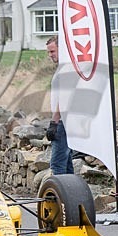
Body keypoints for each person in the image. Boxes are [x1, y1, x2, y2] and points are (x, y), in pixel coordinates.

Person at [45, 37, 74, 175]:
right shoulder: (63, 68)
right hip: (65, 121)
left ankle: (62, 196)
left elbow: (64, 97)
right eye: (49, 52)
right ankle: (73, 195)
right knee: (67, 163)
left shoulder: (66, 69)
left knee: (57, 165)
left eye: (52, 51)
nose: (50, 55)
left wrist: (54, 122)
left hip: (63, 122)